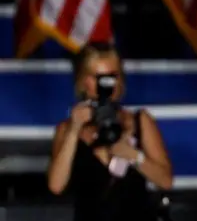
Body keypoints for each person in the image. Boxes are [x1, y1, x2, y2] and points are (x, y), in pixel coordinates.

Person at [47, 42, 173, 221]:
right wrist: (75, 129)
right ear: (84, 81)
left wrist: (133, 155)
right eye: (99, 77)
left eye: (112, 76)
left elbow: (165, 181)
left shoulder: (139, 121)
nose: (106, 85)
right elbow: (56, 186)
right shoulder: (66, 129)